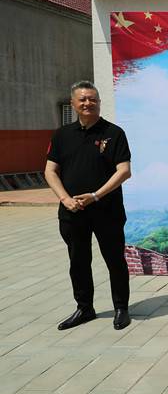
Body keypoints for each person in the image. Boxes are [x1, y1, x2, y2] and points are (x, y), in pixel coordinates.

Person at [44, 80, 132, 331]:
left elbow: (124, 171)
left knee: (115, 260)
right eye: (82, 99)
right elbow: (50, 171)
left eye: (92, 99)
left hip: (107, 210)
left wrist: (95, 195)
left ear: (99, 102)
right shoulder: (62, 135)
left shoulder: (114, 133)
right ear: (73, 103)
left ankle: (121, 308)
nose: (88, 103)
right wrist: (65, 199)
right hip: (72, 211)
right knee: (78, 261)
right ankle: (84, 308)